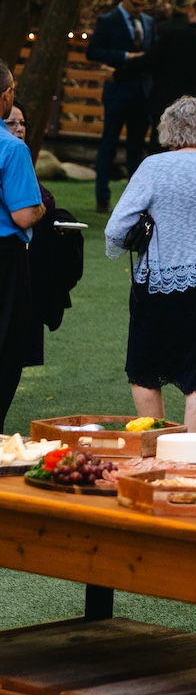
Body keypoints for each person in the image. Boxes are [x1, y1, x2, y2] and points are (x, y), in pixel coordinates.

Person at [105, 96, 196, 433]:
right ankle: (192, 457)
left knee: (146, 371)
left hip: (161, 281)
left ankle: (154, 451)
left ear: (169, 129)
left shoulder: (153, 166)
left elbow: (116, 228)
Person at [5, 106, 83, 378]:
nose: (19, 128)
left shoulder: (19, 156)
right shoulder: (12, 152)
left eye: (22, 122)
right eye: (11, 122)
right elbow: (27, 214)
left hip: (28, 267)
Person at [0, 65, 46, 428]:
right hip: (4, 259)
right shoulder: (12, 148)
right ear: (6, 95)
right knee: (6, 348)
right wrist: (41, 206)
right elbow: (24, 216)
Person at [87, 0, 157, 215]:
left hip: (142, 92)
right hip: (117, 92)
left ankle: (134, 202)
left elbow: (154, 52)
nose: (139, 9)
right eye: (135, 4)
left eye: (142, 5)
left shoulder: (149, 22)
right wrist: (126, 56)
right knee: (109, 144)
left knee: (136, 149)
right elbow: (93, 51)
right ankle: (102, 198)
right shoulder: (108, 21)